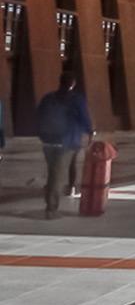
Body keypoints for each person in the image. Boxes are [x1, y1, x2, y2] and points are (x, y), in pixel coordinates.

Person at [36, 72, 93, 219]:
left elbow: (37, 116)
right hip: (67, 141)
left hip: (48, 141)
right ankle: (51, 209)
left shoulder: (48, 98)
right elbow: (85, 119)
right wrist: (90, 131)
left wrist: (42, 135)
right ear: (72, 84)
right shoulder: (76, 99)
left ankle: (51, 199)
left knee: (53, 172)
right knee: (58, 176)